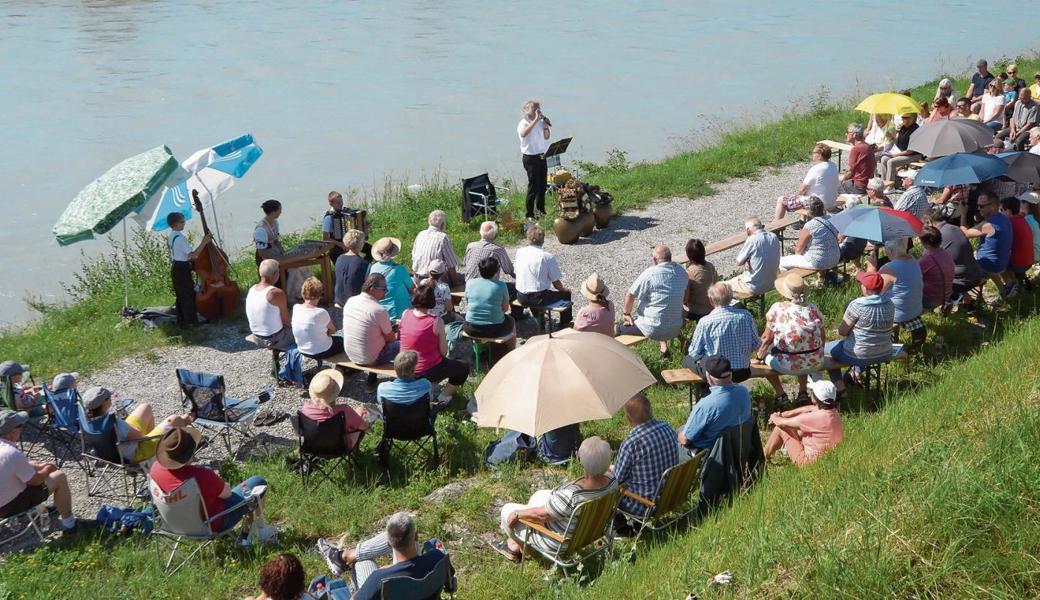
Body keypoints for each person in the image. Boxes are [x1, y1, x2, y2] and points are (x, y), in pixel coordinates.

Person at [491, 436, 617, 563]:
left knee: (506, 511)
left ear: (579, 458)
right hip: (590, 532)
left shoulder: (571, 496)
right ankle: (516, 543)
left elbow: (542, 516)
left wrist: (516, 514)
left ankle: (524, 549)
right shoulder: (613, 481)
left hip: (561, 542)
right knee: (539, 495)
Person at [150, 426, 268, 533]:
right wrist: (222, 484)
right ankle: (256, 531)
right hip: (210, 525)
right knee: (258, 482)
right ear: (191, 451)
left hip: (173, 525)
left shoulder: (155, 469)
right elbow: (227, 495)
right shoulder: (201, 475)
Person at [316, 512, 451, 599]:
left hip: (385, 584)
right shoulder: (438, 558)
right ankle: (344, 557)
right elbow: (450, 581)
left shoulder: (379, 579)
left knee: (362, 562)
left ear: (388, 544)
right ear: (416, 536)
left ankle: (344, 558)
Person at [752, 274, 825, 407]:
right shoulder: (812, 308)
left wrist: (758, 357)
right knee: (802, 347)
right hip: (815, 361)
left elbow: (766, 339)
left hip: (787, 364)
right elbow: (822, 336)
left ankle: (781, 394)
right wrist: (820, 351)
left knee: (764, 358)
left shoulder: (778, 308)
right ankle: (802, 392)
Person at [0, 410, 78, 532]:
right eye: (21, 426)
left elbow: (15, 466)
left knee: (35, 465)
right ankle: (70, 524)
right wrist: (47, 469)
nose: (22, 429)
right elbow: (35, 481)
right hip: (8, 507)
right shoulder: (11, 453)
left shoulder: (4, 449)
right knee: (59, 476)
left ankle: (45, 508)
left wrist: (39, 466)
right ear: (13, 431)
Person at [610, 394, 678, 527]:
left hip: (645, 504)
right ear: (651, 410)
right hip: (671, 494)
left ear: (629, 419)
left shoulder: (632, 443)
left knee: (605, 486)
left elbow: (618, 479)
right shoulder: (667, 427)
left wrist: (608, 468)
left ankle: (621, 527)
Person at [823, 271, 894, 398]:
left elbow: (842, 332)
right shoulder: (890, 304)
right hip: (885, 352)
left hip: (860, 354)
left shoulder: (857, 304)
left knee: (826, 350)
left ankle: (840, 388)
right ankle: (856, 373)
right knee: (864, 344)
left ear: (865, 288)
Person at [82, 386, 192, 465]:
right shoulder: (113, 422)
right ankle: (180, 451)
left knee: (145, 407)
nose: (111, 398)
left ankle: (156, 453)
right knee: (174, 420)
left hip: (109, 451)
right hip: (133, 455)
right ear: (105, 403)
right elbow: (138, 436)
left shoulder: (86, 419)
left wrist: (127, 426)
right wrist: (183, 420)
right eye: (109, 397)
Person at [399, 283, 470, 406]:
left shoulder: (405, 314)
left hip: (404, 366)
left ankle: (430, 388)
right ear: (432, 301)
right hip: (425, 370)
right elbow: (444, 352)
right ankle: (444, 396)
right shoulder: (436, 321)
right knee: (463, 368)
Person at [618, 244, 688, 357]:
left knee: (616, 329)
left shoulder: (650, 274)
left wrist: (626, 313)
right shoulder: (681, 272)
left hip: (652, 329)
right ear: (670, 257)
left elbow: (630, 294)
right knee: (661, 306)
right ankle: (664, 349)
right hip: (675, 326)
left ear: (654, 259)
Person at [683, 283, 759, 384]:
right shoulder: (746, 316)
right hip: (742, 371)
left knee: (687, 360)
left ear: (711, 300)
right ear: (731, 297)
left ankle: (705, 390)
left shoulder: (705, 321)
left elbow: (694, 352)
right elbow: (756, 344)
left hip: (717, 373)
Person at [678, 356, 752, 451]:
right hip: (737, 448)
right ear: (731, 374)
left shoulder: (705, 405)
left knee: (679, 434)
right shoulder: (744, 392)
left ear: (708, 376)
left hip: (709, 454)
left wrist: (677, 435)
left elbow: (685, 440)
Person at [763, 380, 844, 466]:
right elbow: (810, 408)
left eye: (812, 392)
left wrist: (774, 417)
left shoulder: (813, 418)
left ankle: (763, 456)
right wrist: (785, 414)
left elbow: (782, 423)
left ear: (816, 398)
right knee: (799, 430)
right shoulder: (833, 412)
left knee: (780, 429)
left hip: (807, 462)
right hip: (825, 459)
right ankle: (777, 449)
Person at [867, 239, 925, 347]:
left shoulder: (890, 268)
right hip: (915, 308)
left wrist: (871, 269)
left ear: (890, 250)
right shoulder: (913, 260)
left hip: (898, 314)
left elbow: (870, 293)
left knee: (862, 300)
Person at [514, 225, 572, 328]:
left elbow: (516, 272)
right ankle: (564, 323)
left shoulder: (520, 252)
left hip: (520, 296)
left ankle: (540, 319)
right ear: (543, 239)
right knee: (565, 295)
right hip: (538, 298)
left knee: (534, 291)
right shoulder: (547, 256)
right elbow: (556, 283)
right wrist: (565, 290)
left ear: (528, 239)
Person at [301, 369, 369, 451]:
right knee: (360, 421)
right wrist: (358, 415)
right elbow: (365, 427)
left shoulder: (306, 408)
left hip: (313, 447)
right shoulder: (344, 411)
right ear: (335, 393)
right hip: (340, 449)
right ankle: (355, 451)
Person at [923, 208, 984, 297]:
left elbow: (926, 260)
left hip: (962, 281)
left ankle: (939, 305)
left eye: (924, 225)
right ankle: (968, 302)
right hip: (976, 273)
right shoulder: (955, 228)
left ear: (929, 222)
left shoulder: (938, 236)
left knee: (929, 278)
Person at [254, 199, 306, 303]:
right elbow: (262, 252)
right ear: (274, 212)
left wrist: (284, 254)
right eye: (279, 210)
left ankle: (301, 292)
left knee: (299, 265)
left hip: (275, 252)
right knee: (292, 269)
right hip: (265, 257)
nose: (281, 212)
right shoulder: (261, 229)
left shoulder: (275, 223)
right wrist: (277, 261)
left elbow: (276, 241)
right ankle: (291, 295)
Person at [343, 273, 400, 368]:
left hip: (352, 355)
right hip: (371, 359)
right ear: (372, 289)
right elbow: (391, 339)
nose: (386, 291)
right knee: (404, 344)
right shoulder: (379, 310)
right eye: (384, 289)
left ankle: (372, 376)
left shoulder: (350, 301)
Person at [961, 190, 1012, 294]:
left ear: (993, 206)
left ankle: (968, 303)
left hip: (989, 266)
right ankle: (1006, 289)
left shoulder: (988, 224)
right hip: (1003, 262)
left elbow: (965, 234)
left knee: (957, 273)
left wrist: (963, 214)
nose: (978, 209)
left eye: (981, 206)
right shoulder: (1004, 218)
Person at [774, 143, 839, 219]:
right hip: (831, 201)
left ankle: (777, 225)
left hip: (818, 203)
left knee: (781, 200)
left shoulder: (816, 169)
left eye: (814, 153)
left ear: (820, 155)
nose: (812, 154)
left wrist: (796, 196)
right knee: (806, 195)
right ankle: (802, 220)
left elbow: (802, 189)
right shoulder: (833, 165)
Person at [778, 197, 841, 273]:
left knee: (781, 262)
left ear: (808, 211)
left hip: (819, 262)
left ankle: (792, 283)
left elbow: (798, 250)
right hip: (835, 257)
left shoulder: (810, 225)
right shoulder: (832, 218)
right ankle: (823, 278)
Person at [723, 218, 781, 297]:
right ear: (762, 226)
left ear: (748, 230)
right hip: (772, 282)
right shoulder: (773, 236)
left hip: (754, 286)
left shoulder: (752, 239)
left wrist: (746, 260)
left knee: (720, 286)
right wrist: (748, 260)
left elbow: (738, 261)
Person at [463, 257, 516, 341]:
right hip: (494, 328)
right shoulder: (501, 285)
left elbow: (467, 302)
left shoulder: (470, 283)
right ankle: (511, 350)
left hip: (471, 328)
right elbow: (505, 309)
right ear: (496, 272)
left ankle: (478, 351)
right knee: (511, 320)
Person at [166, 211, 205, 327]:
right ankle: (191, 322)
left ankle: (182, 321)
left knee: (181, 295)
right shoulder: (181, 238)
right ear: (176, 223)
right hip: (182, 268)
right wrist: (204, 242)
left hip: (175, 266)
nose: (184, 223)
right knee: (188, 295)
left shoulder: (171, 236)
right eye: (182, 221)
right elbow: (193, 255)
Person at [246, 259, 294, 351]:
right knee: (306, 329)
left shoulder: (252, 289)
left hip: (256, 337)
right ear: (275, 273)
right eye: (278, 272)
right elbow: (286, 321)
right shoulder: (276, 293)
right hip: (274, 339)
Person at [291, 278, 343, 360]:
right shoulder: (321, 312)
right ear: (319, 295)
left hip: (302, 349)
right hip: (322, 351)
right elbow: (332, 330)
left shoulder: (296, 308)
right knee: (343, 340)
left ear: (303, 293)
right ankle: (345, 369)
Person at [518, 100, 551, 221]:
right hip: (530, 158)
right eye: (536, 109)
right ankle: (529, 214)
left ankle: (541, 211)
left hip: (542, 156)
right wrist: (536, 120)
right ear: (529, 111)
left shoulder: (541, 122)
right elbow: (523, 134)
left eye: (539, 109)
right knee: (533, 186)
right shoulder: (523, 123)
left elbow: (547, 137)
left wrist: (545, 125)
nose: (539, 111)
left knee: (542, 185)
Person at [411, 210, 462, 287]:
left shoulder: (420, 234)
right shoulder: (442, 237)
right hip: (433, 280)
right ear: (442, 225)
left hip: (417, 278)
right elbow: (451, 265)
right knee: (461, 278)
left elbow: (413, 256)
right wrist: (456, 284)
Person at [368, 237, 414, 321]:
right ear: (393, 253)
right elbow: (412, 289)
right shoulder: (399, 269)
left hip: (381, 311)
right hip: (399, 313)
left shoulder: (373, 268)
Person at [1001, 195, 1034, 296]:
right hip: (1030, 261)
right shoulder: (1022, 218)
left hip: (1019, 265)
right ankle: (1017, 280)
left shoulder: (1008, 223)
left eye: (1002, 210)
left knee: (997, 262)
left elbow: (1002, 247)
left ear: (1008, 211)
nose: (1000, 212)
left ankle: (1012, 285)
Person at [918, 226, 955, 310]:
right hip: (946, 295)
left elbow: (912, 278)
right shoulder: (945, 252)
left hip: (931, 300)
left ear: (926, 244)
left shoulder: (926, 260)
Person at [879, 114, 920, 185]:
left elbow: (911, 150)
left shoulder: (916, 129)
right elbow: (898, 143)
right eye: (902, 117)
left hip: (914, 154)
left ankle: (890, 186)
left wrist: (896, 155)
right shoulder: (903, 128)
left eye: (905, 118)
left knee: (891, 162)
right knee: (884, 159)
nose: (903, 119)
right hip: (903, 152)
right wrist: (891, 137)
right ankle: (883, 183)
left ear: (911, 118)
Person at [333, 229, 369, 308]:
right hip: (354, 302)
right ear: (361, 245)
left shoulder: (339, 258)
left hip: (339, 300)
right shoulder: (363, 263)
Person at [573, 272, 616, 337]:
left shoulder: (585, 313)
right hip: (608, 342)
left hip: (590, 345)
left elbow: (575, 333)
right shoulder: (610, 305)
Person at [684, 239, 717, 321]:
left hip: (696, 312)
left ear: (689, 255)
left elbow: (685, 298)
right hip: (712, 307)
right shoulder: (710, 266)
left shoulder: (689, 272)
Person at [839, 123, 876, 194]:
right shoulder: (868, 146)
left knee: (835, 185)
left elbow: (849, 172)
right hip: (869, 184)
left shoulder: (856, 149)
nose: (846, 134)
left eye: (848, 132)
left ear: (854, 135)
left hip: (859, 186)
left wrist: (841, 179)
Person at [322, 191, 350, 264]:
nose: (341, 204)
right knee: (343, 264)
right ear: (331, 204)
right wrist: (341, 245)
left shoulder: (345, 213)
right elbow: (325, 238)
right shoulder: (328, 218)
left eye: (341, 201)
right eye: (338, 203)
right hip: (334, 247)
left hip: (345, 244)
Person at [1019, 192, 1040, 263]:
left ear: (1026, 204)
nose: (1019, 204)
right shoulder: (1036, 218)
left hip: (1033, 258)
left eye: (1021, 201)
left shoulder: (1026, 220)